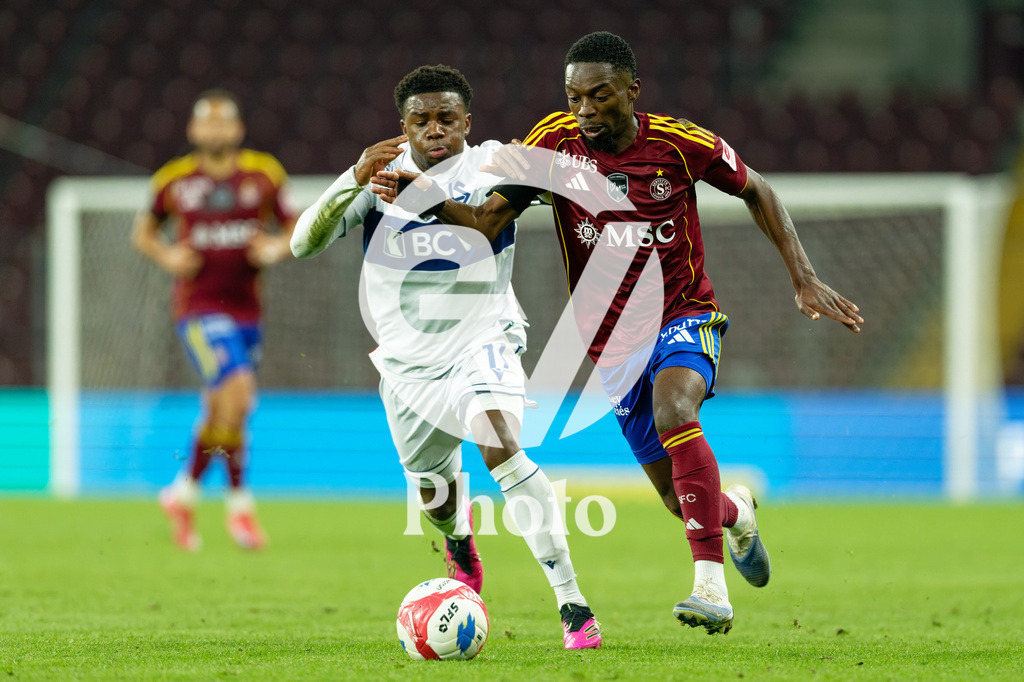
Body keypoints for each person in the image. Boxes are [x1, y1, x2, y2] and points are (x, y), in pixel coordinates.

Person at [373, 33, 864, 635]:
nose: (584, 111)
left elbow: (757, 189)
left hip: (685, 315)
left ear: (633, 92)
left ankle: (710, 588)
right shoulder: (552, 143)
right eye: (574, 97)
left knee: (675, 410)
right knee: (675, 498)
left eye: (598, 97)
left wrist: (804, 278)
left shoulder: (683, 145)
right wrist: (421, 197)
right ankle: (735, 515)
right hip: (613, 343)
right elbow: (485, 222)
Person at [289, 65, 601, 650]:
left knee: (501, 446)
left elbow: (517, 205)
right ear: (402, 125)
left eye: (447, 119)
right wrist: (352, 180)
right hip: (407, 366)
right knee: (434, 494)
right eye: (421, 120)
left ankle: (572, 604)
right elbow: (302, 242)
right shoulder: (377, 177)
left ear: (467, 123)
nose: (436, 131)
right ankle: (459, 540)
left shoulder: (492, 164)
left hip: (483, 338)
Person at [132, 89, 296, 552]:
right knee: (240, 395)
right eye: (208, 122)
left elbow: (293, 226)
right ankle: (240, 506)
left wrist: (276, 248)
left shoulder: (264, 174)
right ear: (194, 130)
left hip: (247, 310)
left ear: (238, 130)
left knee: (225, 411)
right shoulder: (174, 180)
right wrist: (167, 256)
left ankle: (182, 495)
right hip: (198, 310)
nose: (216, 130)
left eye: (224, 122)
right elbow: (143, 232)